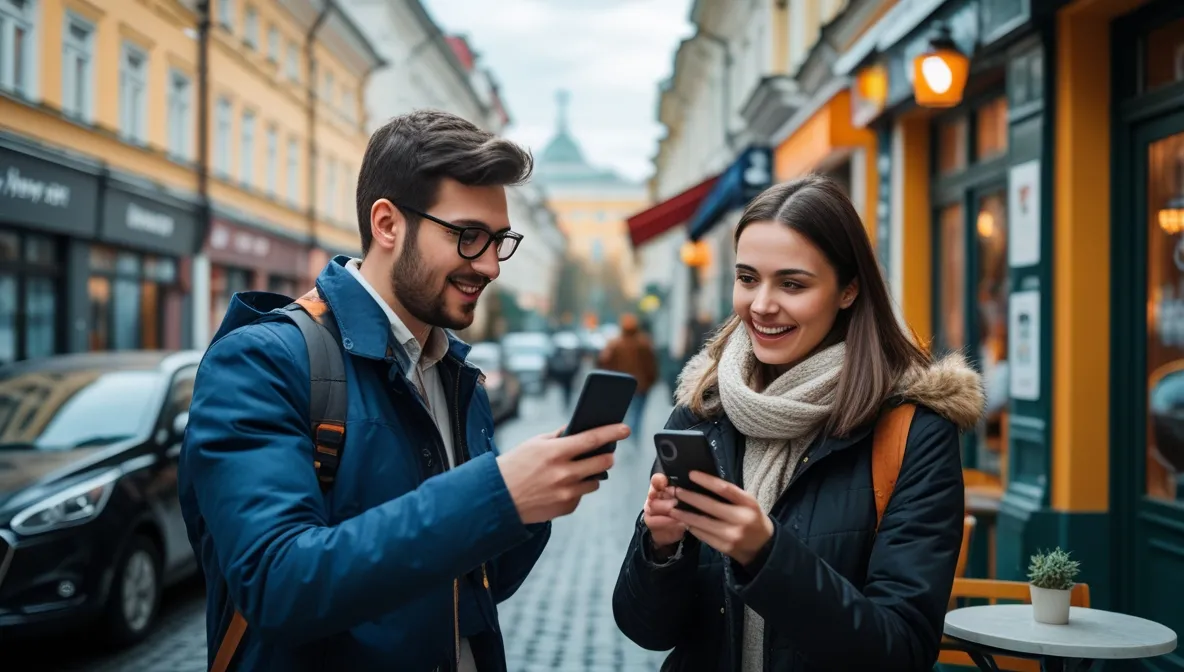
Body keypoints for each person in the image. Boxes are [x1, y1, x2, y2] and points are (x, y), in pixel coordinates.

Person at [178, 110, 630, 671]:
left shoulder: (456, 373)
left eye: (498, 240)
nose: (490, 266)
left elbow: (480, 586)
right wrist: (497, 494)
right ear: (388, 225)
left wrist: (535, 499)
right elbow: (277, 584)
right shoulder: (262, 361)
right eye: (468, 237)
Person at [612, 175, 984, 671]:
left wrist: (765, 554)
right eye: (747, 278)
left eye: (792, 284)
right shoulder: (703, 412)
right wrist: (661, 547)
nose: (762, 305)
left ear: (848, 289)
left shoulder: (912, 431)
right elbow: (649, 630)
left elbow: (901, 651)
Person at [598, 313, 659, 437]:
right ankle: (632, 438)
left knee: (625, 413)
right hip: (641, 385)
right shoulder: (644, 343)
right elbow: (651, 366)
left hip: (620, 386)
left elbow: (604, 364)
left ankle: (626, 438)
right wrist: (651, 381)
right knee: (637, 414)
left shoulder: (614, 344)